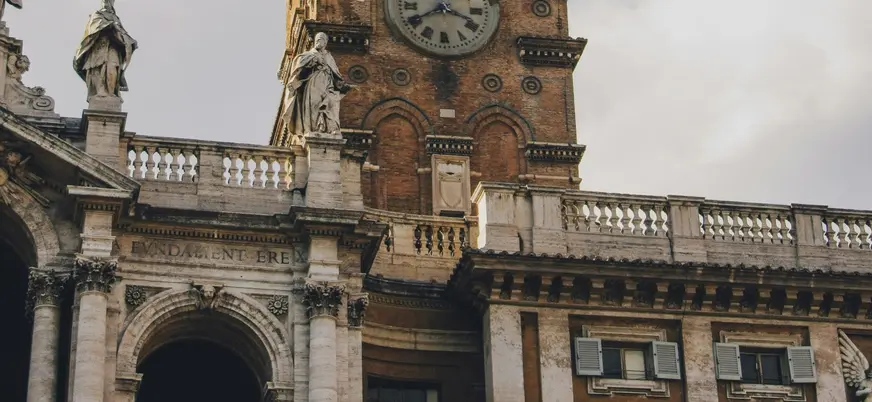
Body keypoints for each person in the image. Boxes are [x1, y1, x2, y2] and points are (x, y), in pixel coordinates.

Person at [281, 32, 354, 137]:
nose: (319, 42)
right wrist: (313, 61)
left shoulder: (329, 56)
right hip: (314, 83)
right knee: (314, 105)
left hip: (328, 84)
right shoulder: (308, 55)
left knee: (330, 104)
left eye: (322, 40)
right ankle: (313, 129)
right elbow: (299, 66)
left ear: (325, 42)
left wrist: (342, 85)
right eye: (318, 40)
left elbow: (335, 74)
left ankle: (327, 129)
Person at [73, 0, 138, 100]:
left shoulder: (116, 18)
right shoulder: (97, 14)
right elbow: (94, 27)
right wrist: (110, 26)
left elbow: (123, 33)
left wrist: (130, 42)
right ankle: (100, 91)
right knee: (97, 67)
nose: (107, 2)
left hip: (113, 48)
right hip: (99, 47)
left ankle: (111, 93)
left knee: (112, 68)